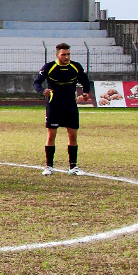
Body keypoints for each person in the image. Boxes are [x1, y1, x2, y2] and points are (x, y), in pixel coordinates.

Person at [35, 42, 91, 176]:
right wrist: (43, 90)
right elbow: (36, 83)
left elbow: (85, 81)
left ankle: (73, 167)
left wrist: (85, 92)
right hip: (54, 105)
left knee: (72, 135)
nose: (66, 57)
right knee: (51, 136)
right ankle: (49, 166)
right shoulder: (49, 67)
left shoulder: (75, 66)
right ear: (57, 55)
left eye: (68, 54)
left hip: (70, 105)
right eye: (63, 55)